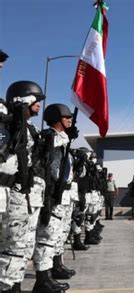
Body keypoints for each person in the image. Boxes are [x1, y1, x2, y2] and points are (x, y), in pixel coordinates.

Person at [0, 81, 51, 293]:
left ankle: (12, 285)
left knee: (17, 244)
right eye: (36, 100)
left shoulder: (28, 128)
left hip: (18, 191)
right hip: (6, 187)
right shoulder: (5, 119)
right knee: (11, 243)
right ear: (23, 99)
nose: (39, 104)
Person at [33, 103, 79, 292]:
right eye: (67, 117)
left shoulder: (62, 140)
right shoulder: (49, 137)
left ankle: (52, 269)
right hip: (51, 195)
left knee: (57, 233)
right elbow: (50, 167)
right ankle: (42, 279)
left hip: (63, 194)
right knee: (46, 236)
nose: (70, 120)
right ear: (57, 119)